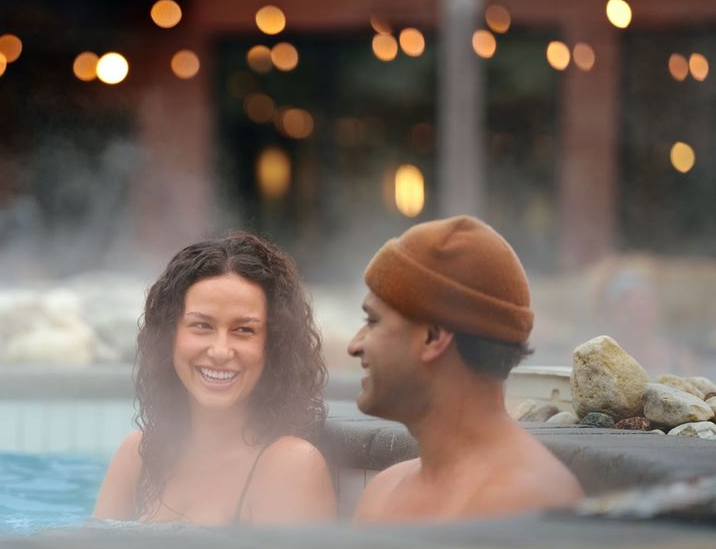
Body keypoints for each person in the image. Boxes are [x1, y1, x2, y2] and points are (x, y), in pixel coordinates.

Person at [348, 215, 583, 523]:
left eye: (373, 321)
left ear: (432, 337)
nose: (354, 345)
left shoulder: (528, 501)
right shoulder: (382, 492)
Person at [93, 232, 337, 525]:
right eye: (202, 325)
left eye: (243, 330)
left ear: (273, 346)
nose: (220, 351)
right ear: (171, 337)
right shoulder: (138, 457)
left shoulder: (290, 465)